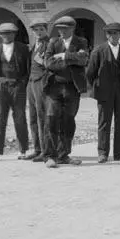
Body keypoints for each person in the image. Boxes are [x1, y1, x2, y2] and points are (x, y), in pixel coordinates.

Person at [43, 16, 89, 168]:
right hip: (54, 87)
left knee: (68, 121)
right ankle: (50, 156)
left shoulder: (81, 42)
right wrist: (72, 60)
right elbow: (48, 63)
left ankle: (63, 155)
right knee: (51, 119)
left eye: (64, 28)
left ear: (72, 28)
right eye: (59, 29)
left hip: (72, 87)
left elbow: (84, 60)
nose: (61, 31)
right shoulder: (53, 42)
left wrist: (63, 56)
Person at [86, 22, 120, 163]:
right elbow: (90, 72)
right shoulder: (99, 50)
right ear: (106, 35)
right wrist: (96, 87)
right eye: (110, 33)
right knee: (104, 123)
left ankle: (119, 153)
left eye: (116, 33)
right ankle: (103, 153)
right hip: (104, 92)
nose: (113, 36)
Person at [0, 22, 31, 162]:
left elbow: (28, 69)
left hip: (18, 86)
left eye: (9, 33)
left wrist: (22, 83)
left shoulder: (23, 48)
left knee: (20, 118)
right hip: (2, 86)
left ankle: (22, 150)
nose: (6, 36)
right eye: (4, 34)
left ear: (14, 34)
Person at [22, 20, 50, 161]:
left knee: (42, 117)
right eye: (36, 30)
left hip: (41, 82)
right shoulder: (35, 45)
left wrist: (41, 61)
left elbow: (50, 64)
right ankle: (37, 149)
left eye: (41, 30)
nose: (38, 33)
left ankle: (45, 151)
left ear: (46, 30)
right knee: (32, 117)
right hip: (31, 82)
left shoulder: (50, 43)